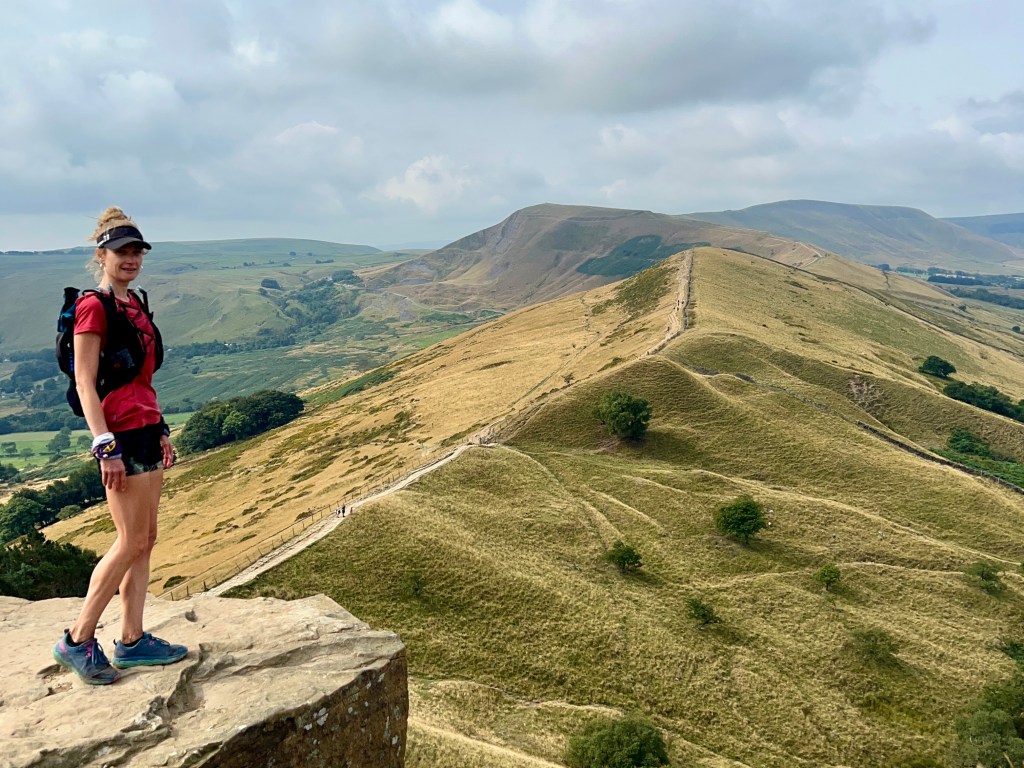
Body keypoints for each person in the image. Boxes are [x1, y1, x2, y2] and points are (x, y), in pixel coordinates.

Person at [52, 207, 187, 685]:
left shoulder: (135, 304)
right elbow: (85, 383)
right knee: (129, 540)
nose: (130, 259)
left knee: (145, 539)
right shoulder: (94, 307)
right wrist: (104, 446)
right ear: (101, 256)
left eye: (136, 252)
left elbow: (140, 378)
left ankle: (131, 639)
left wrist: (161, 427)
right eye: (121, 252)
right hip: (120, 436)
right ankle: (77, 639)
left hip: (146, 427)